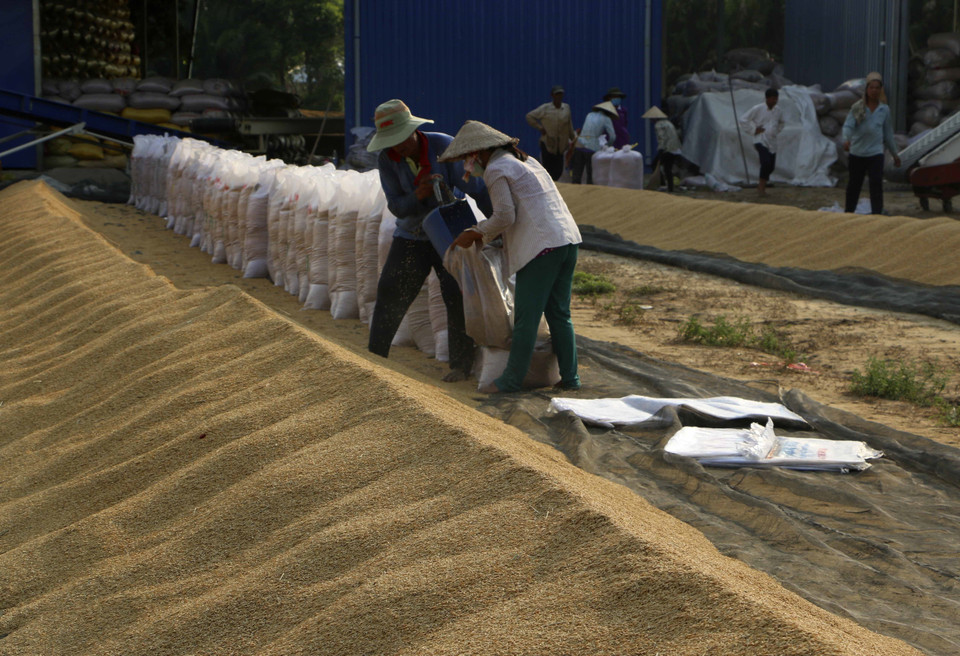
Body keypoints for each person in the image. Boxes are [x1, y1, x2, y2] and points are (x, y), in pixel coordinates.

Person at [439, 121, 582, 394]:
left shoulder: (496, 168)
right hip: (567, 240)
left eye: (469, 159)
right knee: (559, 314)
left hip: (542, 247)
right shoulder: (528, 162)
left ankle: (512, 380)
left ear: (479, 153)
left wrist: (475, 233)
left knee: (526, 318)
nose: (469, 166)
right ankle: (571, 378)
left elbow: (505, 215)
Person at [365, 99, 493, 382]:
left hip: (450, 233)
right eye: (392, 142)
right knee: (391, 290)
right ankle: (374, 357)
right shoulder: (387, 159)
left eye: (402, 139)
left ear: (415, 131)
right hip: (412, 234)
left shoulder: (443, 146)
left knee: (456, 294)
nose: (398, 147)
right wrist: (418, 196)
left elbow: (478, 189)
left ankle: (461, 365)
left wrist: (496, 227)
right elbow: (396, 206)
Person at [842, 72, 902, 215]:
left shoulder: (884, 110)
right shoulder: (858, 107)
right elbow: (848, 125)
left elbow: (888, 134)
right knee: (854, 185)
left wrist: (895, 154)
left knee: (876, 184)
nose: (874, 91)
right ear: (867, 90)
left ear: (880, 90)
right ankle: (849, 212)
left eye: (877, 88)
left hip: (875, 153)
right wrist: (846, 139)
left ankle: (877, 213)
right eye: (871, 88)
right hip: (857, 153)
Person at [525, 84, 576, 182]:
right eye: (557, 94)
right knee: (548, 169)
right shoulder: (545, 108)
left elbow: (569, 124)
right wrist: (540, 128)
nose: (559, 96)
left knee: (558, 169)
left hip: (561, 145)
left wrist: (573, 138)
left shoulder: (566, 108)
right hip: (548, 143)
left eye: (560, 94)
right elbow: (529, 116)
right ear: (552, 96)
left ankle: (555, 185)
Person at [739, 88, 785, 196]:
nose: (774, 101)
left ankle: (762, 183)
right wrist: (753, 130)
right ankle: (761, 187)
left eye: (776, 99)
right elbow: (743, 119)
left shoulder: (778, 110)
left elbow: (782, 123)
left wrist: (775, 131)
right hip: (760, 139)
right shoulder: (758, 108)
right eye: (773, 99)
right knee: (765, 162)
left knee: (771, 166)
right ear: (767, 98)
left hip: (772, 141)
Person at [571, 101, 617, 184]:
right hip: (592, 147)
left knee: (577, 173)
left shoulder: (589, 115)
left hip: (579, 144)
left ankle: (574, 193)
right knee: (590, 174)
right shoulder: (606, 119)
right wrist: (608, 145)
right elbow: (613, 136)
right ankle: (590, 194)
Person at [643, 106, 682, 192]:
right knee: (668, 168)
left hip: (668, 149)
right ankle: (669, 187)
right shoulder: (668, 123)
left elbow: (662, 138)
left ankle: (663, 184)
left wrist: (660, 150)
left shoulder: (658, 125)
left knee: (657, 165)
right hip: (675, 148)